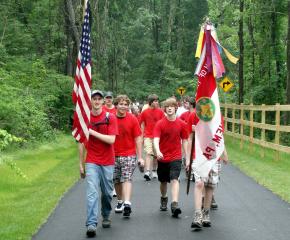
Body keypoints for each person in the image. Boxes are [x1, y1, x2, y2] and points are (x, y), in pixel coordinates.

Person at [79, 90, 118, 237]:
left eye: (99, 99)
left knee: (107, 193)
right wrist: (81, 164)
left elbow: (111, 140)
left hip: (108, 160)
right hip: (92, 161)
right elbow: (81, 143)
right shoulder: (85, 119)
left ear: (103, 102)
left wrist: (92, 132)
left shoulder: (110, 117)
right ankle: (91, 223)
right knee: (91, 192)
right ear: (90, 101)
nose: (96, 101)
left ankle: (106, 215)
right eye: (94, 99)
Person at [186, 113, 228, 231]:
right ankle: (197, 215)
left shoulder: (218, 115)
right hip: (198, 155)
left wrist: (224, 153)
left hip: (213, 155)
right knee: (199, 183)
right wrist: (188, 158)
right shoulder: (193, 116)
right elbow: (189, 138)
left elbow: (220, 137)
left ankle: (206, 213)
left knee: (210, 185)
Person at [153, 98, 189, 218]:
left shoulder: (182, 124)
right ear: (165, 109)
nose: (169, 108)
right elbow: (156, 139)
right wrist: (158, 151)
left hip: (176, 156)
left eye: (171, 106)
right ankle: (164, 198)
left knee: (174, 179)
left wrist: (187, 158)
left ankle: (174, 204)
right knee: (163, 181)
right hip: (162, 157)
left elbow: (185, 141)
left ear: (175, 108)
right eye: (167, 106)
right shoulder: (160, 124)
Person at [113, 95, 144, 217]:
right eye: (121, 104)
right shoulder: (110, 118)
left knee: (126, 178)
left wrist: (140, 157)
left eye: (126, 104)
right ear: (116, 105)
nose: (123, 106)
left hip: (129, 154)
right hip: (113, 155)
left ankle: (127, 203)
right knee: (116, 180)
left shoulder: (132, 119)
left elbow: (138, 138)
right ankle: (120, 201)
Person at [139, 94, 164, 181]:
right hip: (148, 136)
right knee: (148, 153)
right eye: (155, 101)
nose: (157, 102)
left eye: (157, 101)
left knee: (156, 155)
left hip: (157, 137)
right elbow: (142, 125)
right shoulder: (144, 112)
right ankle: (147, 171)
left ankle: (154, 171)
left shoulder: (160, 112)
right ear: (150, 102)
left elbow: (163, 124)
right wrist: (141, 137)